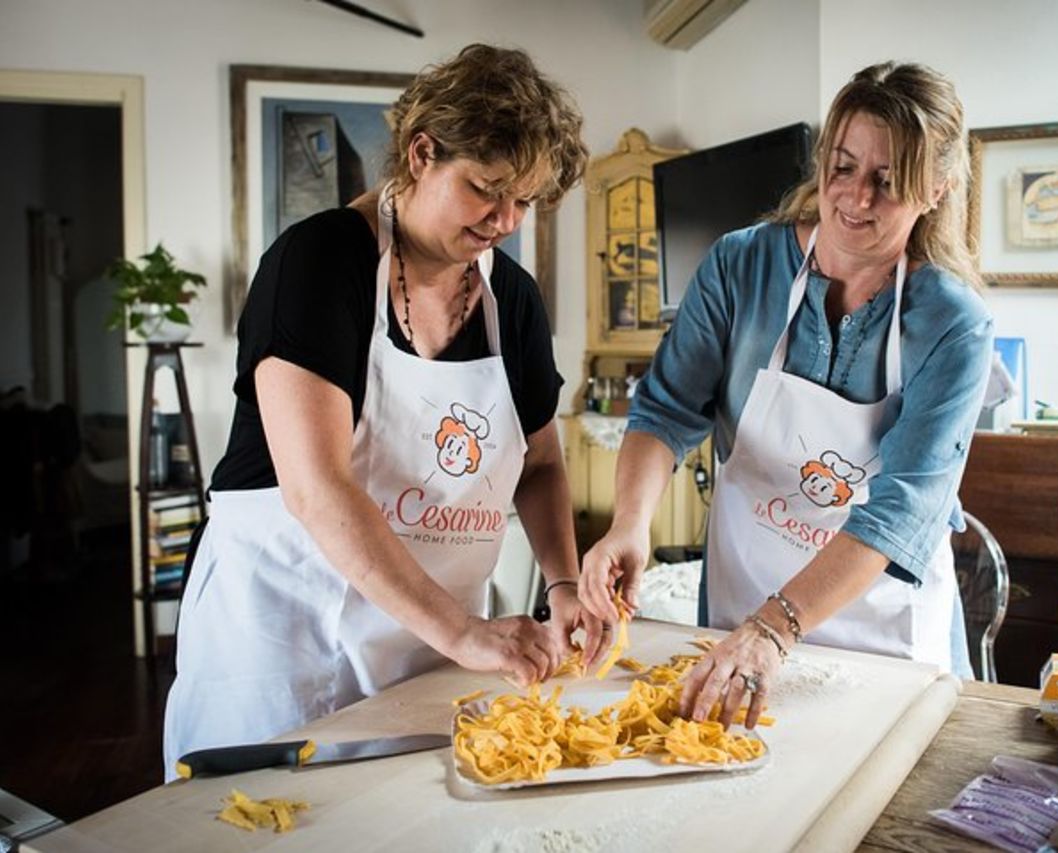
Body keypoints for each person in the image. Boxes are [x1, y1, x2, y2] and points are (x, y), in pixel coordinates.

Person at [163, 44, 598, 779]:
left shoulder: (511, 300)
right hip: (285, 648)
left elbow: (543, 463)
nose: (507, 219)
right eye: (487, 189)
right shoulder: (318, 262)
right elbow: (318, 487)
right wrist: (464, 630)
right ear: (422, 152)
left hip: (429, 659)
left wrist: (562, 585)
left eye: (525, 200)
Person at [579, 61, 993, 729]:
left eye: (888, 182)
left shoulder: (952, 321)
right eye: (843, 166)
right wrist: (630, 524)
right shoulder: (740, 265)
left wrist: (778, 625)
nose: (855, 198)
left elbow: (902, 511)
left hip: (881, 632)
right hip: (742, 613)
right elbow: (665, 409)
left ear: (938, 188)